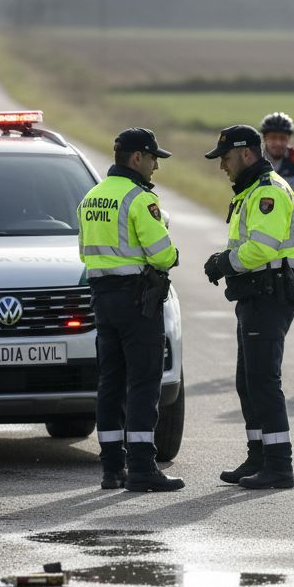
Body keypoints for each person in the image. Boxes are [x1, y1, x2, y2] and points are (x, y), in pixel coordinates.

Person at [202, 124, 294, 490]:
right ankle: (259, 455)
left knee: (263, 380)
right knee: (247, 380)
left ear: (246, 153)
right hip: (255, 293)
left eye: (226, 159)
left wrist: (222, 263)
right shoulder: (251, 191)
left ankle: (279, 466)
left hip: (270, 293)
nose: (222, 167)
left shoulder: (269, 193)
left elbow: (261, 249)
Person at [77, 127, 184, 492]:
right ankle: (141, 467)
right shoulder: (140, 200)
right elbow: (163, 254)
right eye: (154, 158)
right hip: (137, 300)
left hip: (102, 298)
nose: (156, 166)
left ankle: (111, 468)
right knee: (143, 381)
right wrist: (171, 251)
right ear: (137, 158)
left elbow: (84, 253)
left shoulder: (91, 197)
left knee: (110, 382)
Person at [260, 111, 294, 317]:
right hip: (264, 212)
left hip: (289, 213)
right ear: (265, 139)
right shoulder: (258, 155)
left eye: (283, 138)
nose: (278, 143)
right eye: (273, 138)